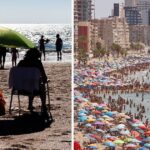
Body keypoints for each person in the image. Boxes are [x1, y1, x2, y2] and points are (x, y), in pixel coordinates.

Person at [17, 48, 49, 120]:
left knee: (30, 84)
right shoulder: (38, 63)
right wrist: (45, 80)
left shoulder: (21, 62)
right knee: (40, 87)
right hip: (35, 88)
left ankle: (30, 105)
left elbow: (16, 75)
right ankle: (43, 105)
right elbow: (44, 76)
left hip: (21, 89)